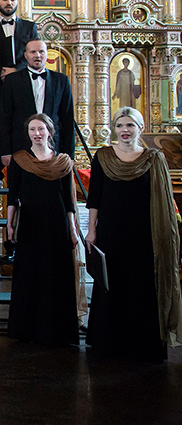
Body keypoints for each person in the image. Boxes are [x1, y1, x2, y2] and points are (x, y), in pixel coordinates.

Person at [86, 108, 182, 361]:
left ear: (140, 128)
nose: (125, 130)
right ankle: (109, 343)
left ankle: (143, 344)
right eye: (120, 125)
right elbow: (94, 198)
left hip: (144, 234)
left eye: (130, 125)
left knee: (141, 287)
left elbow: (164, 200)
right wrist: (92, 230)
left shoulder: (154, 158)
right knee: (111, 285)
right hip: (111, 233)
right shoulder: (103, 157)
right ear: (114, 129)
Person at [5, 114, 79, 347]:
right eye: (32, 130)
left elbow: (68, 201)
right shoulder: (19, 159)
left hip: (57, 224)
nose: (36, 134)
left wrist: (73, 229)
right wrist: (9, 224)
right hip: (29, 224)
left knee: (56, 274)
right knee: (30, 274)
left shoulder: (63, 161)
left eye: (41, 129)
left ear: (49, 131)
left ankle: (58, 331)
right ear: (28, 133)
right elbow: (12, 195)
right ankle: (27, 329)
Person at [0, 0, 38, 183]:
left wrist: (16, 70)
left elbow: (34, 52)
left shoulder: (29, 27)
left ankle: (26, 171)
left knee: (22, 127)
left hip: (22, 85)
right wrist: (1, 71)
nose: (9, 3)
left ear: (17, 2)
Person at [0, 39, 75, 169]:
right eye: (33, 52)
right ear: (26, 55)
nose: (37, 55)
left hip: (53, 148)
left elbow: (67, 119)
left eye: (41, 51)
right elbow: (4, 118)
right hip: (21, 148)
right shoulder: (12, 81)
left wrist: (69, 154)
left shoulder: (61, 80)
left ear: (47, 54)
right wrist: (5, 151)